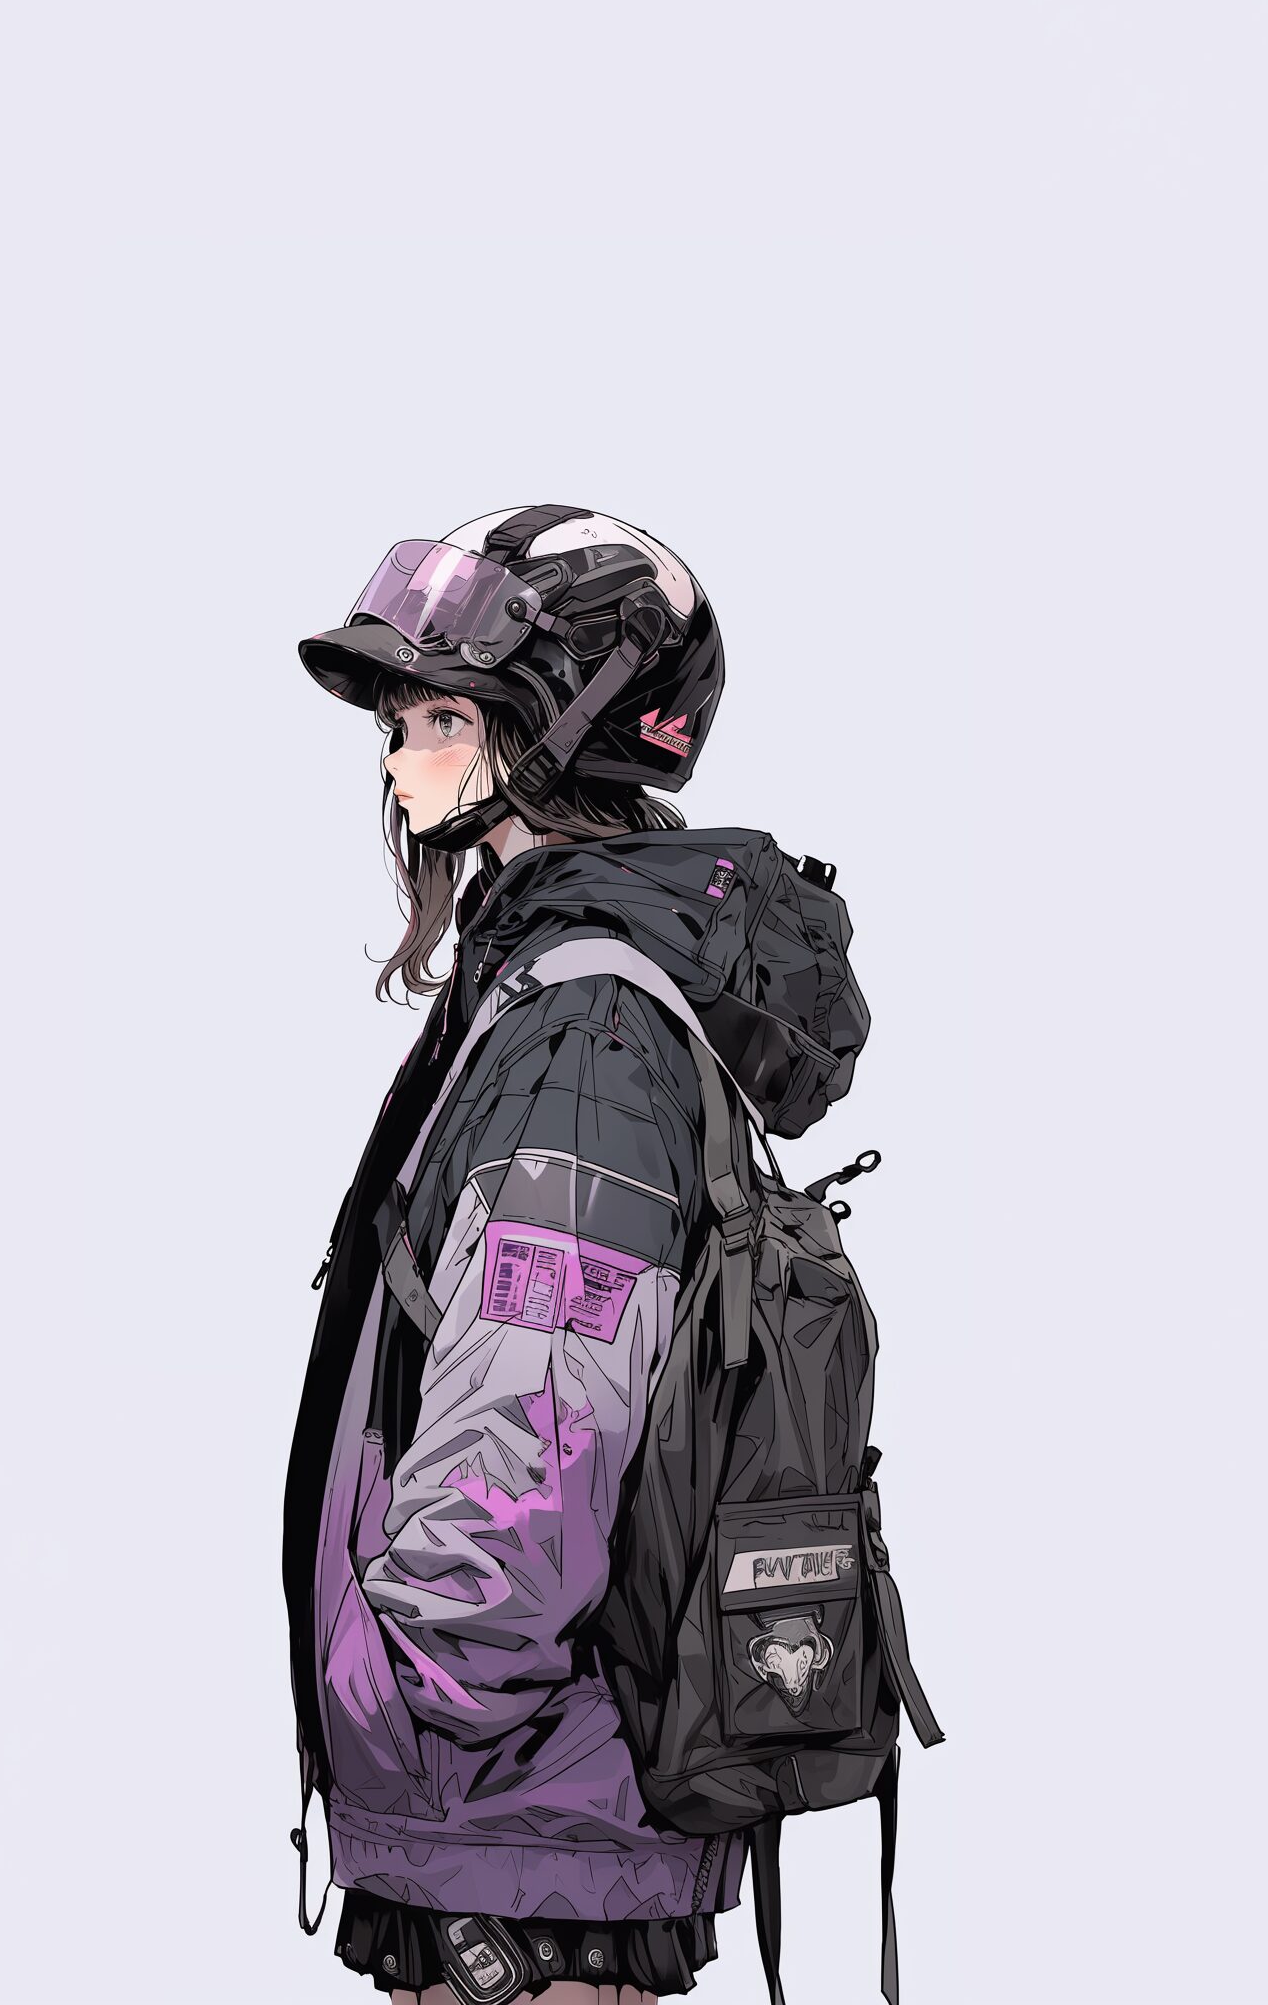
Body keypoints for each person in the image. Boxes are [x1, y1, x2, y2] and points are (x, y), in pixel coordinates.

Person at [282, 505, 871, 2005]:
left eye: (439, 716)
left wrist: (407, 1700)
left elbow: (536, 1429)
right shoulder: (550, 990)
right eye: (400, 718)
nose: (397, 755)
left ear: (557, 733)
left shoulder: (585, 1033)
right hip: (522, 1822)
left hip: (525, 1840)